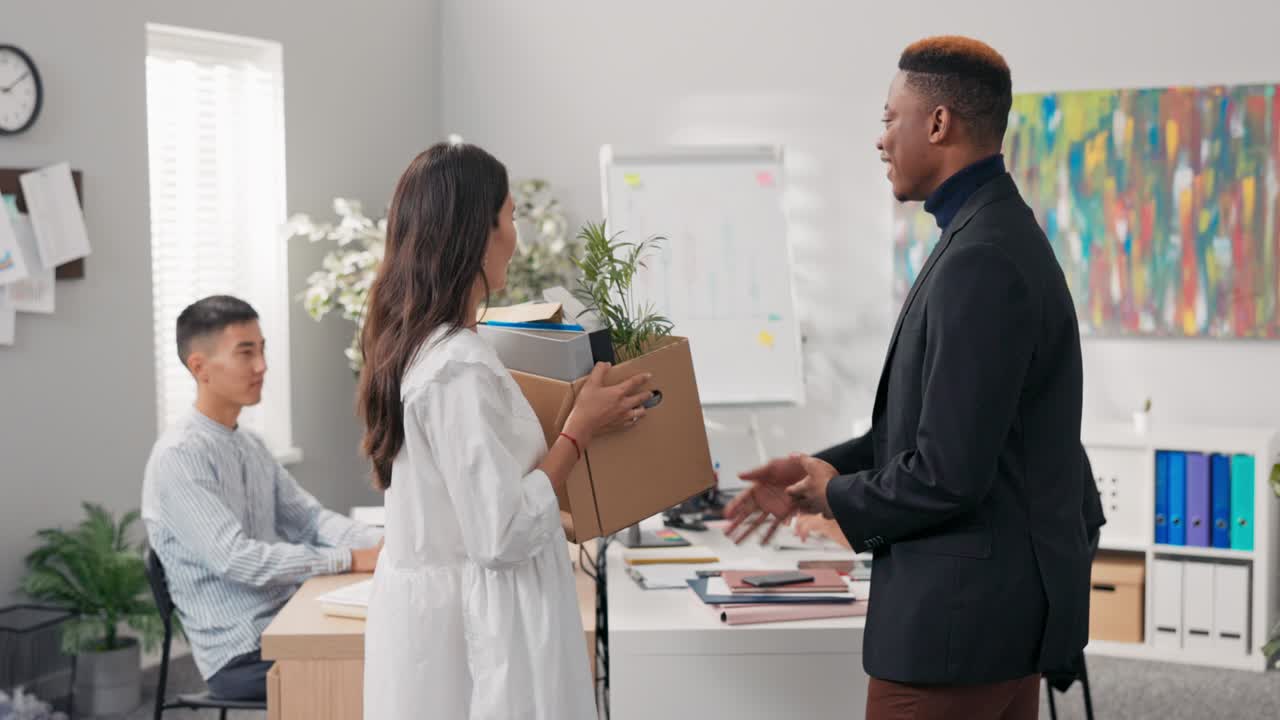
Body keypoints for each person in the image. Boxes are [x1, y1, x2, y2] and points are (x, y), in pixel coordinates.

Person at [727, 36, 1094, 720]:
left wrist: (838, 494)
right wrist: (819, 470)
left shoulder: (981, 258)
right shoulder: (989, 234)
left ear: (938, 123)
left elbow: (947, 472)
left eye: (889, 118)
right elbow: (942, 427)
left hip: (958, 633)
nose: (880, 139)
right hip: (997, 621)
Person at [359, 143, 651, 719]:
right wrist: (578, 431)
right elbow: (502, 534)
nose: (517, 238)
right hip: (481, 634)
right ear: (478, 230)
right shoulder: (458, 368)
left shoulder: (427, 349)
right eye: (511, 216)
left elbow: (475, 508)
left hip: (450, 623)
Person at [142, 295, 383, 701]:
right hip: (241, 653)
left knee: (395, 642)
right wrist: (349, 558)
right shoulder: (179, 457)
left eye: (263, 349)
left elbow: (309, 519)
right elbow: (236, 558)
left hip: (286, 618)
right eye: (245, 353)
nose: (261, 366)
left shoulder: (249, 443)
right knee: (382, 670)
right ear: (199, 366)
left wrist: (380, 544)